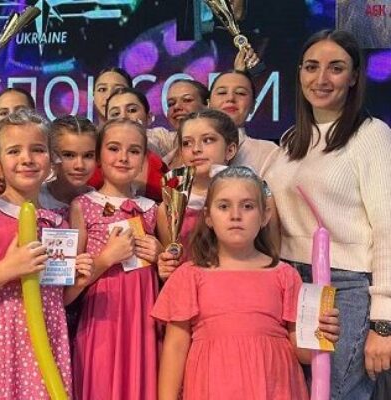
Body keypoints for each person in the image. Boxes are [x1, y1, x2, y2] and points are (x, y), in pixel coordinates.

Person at [264, 29, 391, 399]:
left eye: (336, 68)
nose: (321, 79)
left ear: (353, 77)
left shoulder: (371, 135)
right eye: (311, 67)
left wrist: (383, 323)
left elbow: (387, 228)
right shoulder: (291, 139)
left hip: (344, 289)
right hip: (289, 284)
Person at [0, 109, 93, 399]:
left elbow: (54, 296)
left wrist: (78, 282)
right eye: (14, 151)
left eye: (37, 150)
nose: (27, 159)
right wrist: (9, 268)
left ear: (51, 158)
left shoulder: (58, 221)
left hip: (48, 338)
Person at [152, 166, 340, 400]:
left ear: (265, 216)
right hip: (212, 388)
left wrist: (321, 334)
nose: (235, 215)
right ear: (208, 216)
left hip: (275, 388)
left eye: (247, 206)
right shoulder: (189, 276)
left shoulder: (285, 275)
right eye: (224, 206)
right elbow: (175, 348)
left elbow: (302, 352)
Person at [70, 118, 162, 400]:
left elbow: (173, 267)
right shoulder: (82, 206)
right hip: (102, 317)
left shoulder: (154, 209)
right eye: (113, 148)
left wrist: (160, 255)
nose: (123, 157)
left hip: (143, 318)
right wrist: (106, 258)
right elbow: (68, 285)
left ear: (144, 159)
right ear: (98, 155)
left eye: (134, 151)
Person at [156, 109, 238, 280]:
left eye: (207, 140)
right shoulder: (170, 207)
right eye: (187, 143)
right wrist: (166, 271)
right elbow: (171, 267)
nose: (196, 149)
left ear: (230, 150)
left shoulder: (252, 199)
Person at [89, 87, 168, 202]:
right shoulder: (91, 165)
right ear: (106, 122)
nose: (124, 117)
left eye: (132, 110)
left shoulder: (162, 169)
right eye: (115, 113)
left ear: (149, 117)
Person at [208, 69, 278, 175]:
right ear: (208, 104)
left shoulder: (269, 152)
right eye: (222, 92)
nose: (230, 98)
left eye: (240, 93)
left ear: (253, 106)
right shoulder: (188, 148)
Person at [41, 115, 97, 218]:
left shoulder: (101, 204)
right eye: (69, 155)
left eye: (88, 156)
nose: (80, 165)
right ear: (52, 155)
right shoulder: (35, 199)